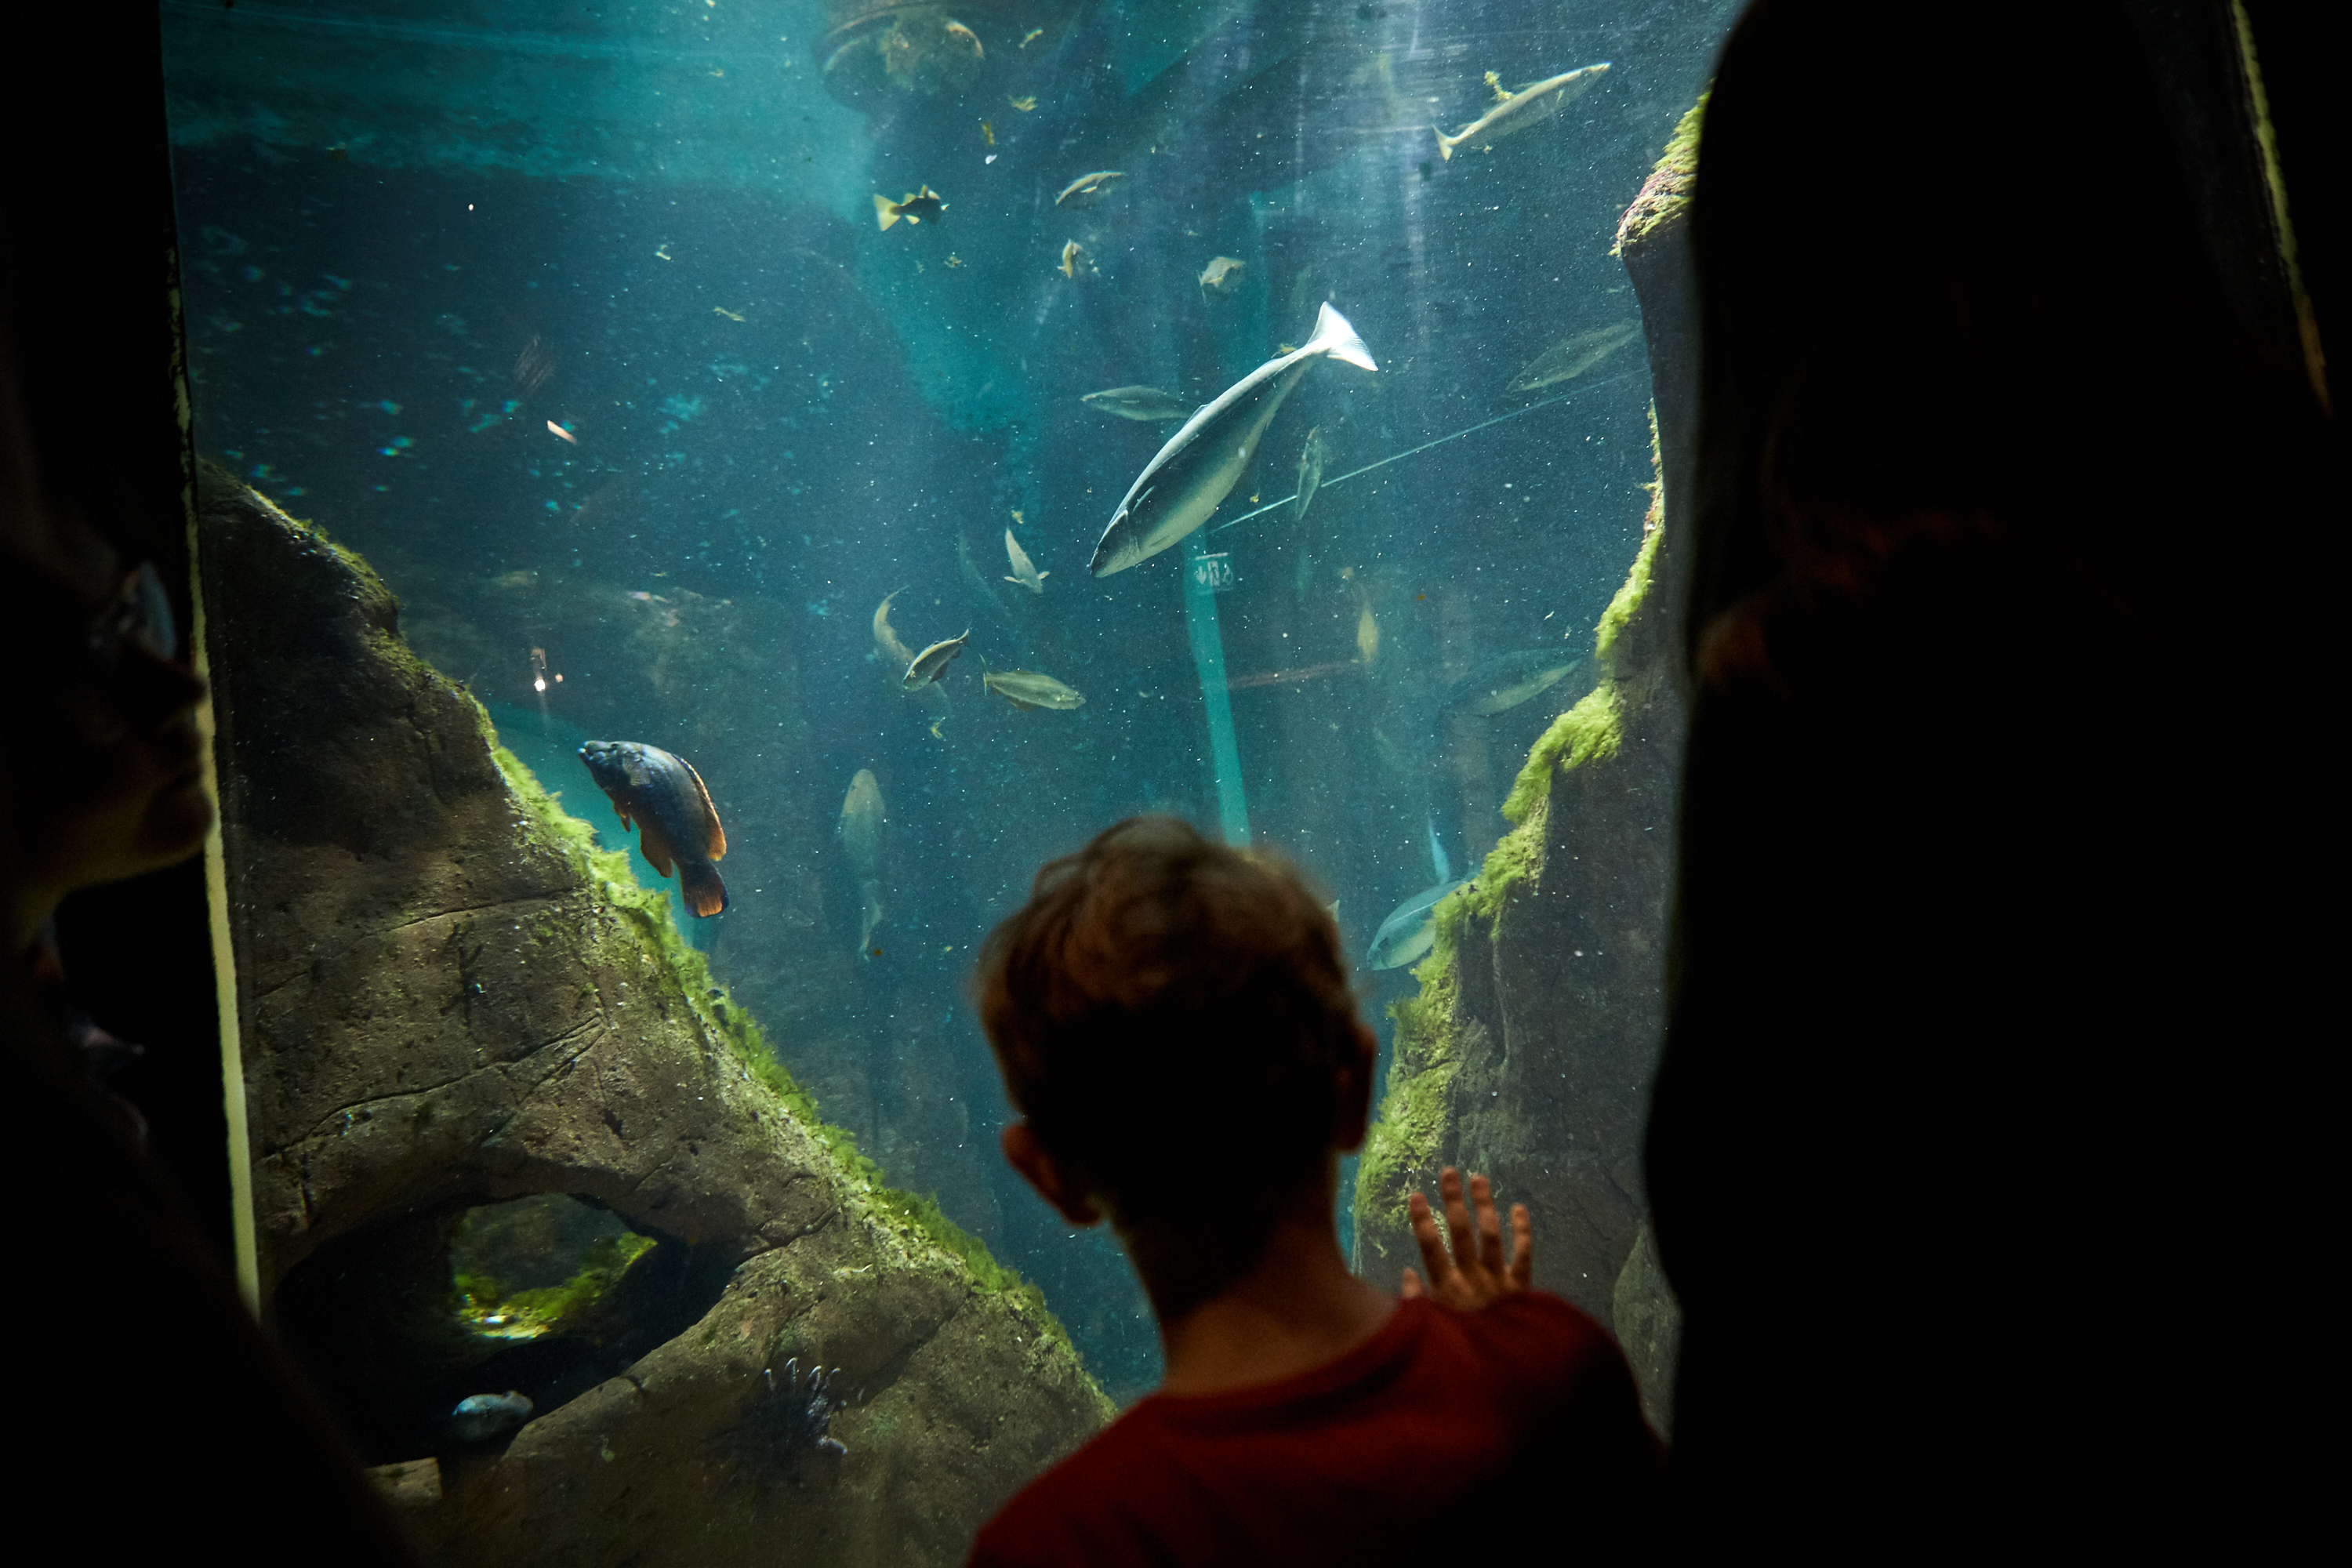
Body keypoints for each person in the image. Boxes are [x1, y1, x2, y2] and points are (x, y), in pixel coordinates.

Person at [967, 816, 1661, 1566]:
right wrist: (1503, 1362)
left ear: (1048, 1174)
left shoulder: (1060, 1541)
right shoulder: (1549, 1384)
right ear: (1357, 1083)